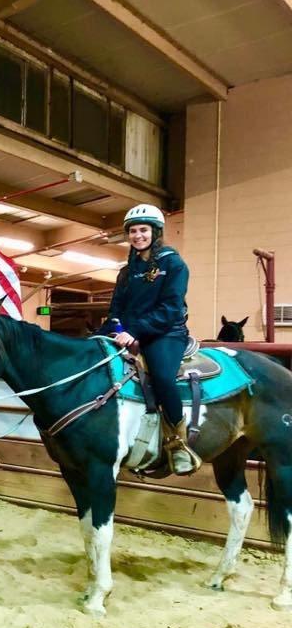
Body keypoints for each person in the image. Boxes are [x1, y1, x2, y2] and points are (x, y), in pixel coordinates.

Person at [106, 203, 201, 476]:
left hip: (166, 333)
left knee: (161, 377)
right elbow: (115, 310)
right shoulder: (126, 271)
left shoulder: (173, 263)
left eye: (143, 230)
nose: (138, 236)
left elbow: (170, 309)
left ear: (155, 232)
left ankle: (178, 444)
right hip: (128, 333)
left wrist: (134, 332)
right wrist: (115, 329)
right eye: (133, 231)